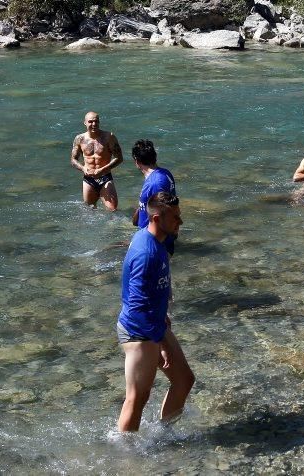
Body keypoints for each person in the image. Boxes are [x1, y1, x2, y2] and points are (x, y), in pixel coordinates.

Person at [117, 192, 194, 432]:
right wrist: (160, 342)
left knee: (184, 380)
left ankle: (164, 435)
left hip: (155, 324)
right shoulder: (146, 253)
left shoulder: (155, 240)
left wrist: (162, 315)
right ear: (157, 218)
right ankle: (125, 454)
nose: (180, 222)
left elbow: (151, 290)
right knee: (137, 398)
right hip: (139, 332)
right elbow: (138, 305)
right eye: (175, 218)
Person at [131, 139, 177, 256]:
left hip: (154, 242)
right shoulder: (163, 173)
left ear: (136, 161)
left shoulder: (155, 183)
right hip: (150, 237)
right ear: (154, 157)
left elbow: (164, 213)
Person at [70, 111, 123, 210]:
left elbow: (119, 158)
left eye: (96, 121)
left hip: (105, 177)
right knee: (90, 211)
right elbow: (73, 160)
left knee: (113, 210)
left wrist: (103, 169)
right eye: (90, 122)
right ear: (85, 123)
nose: (94, 124)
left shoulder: (109, 137)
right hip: (88, 179)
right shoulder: (79, 139)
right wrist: (83, 168)